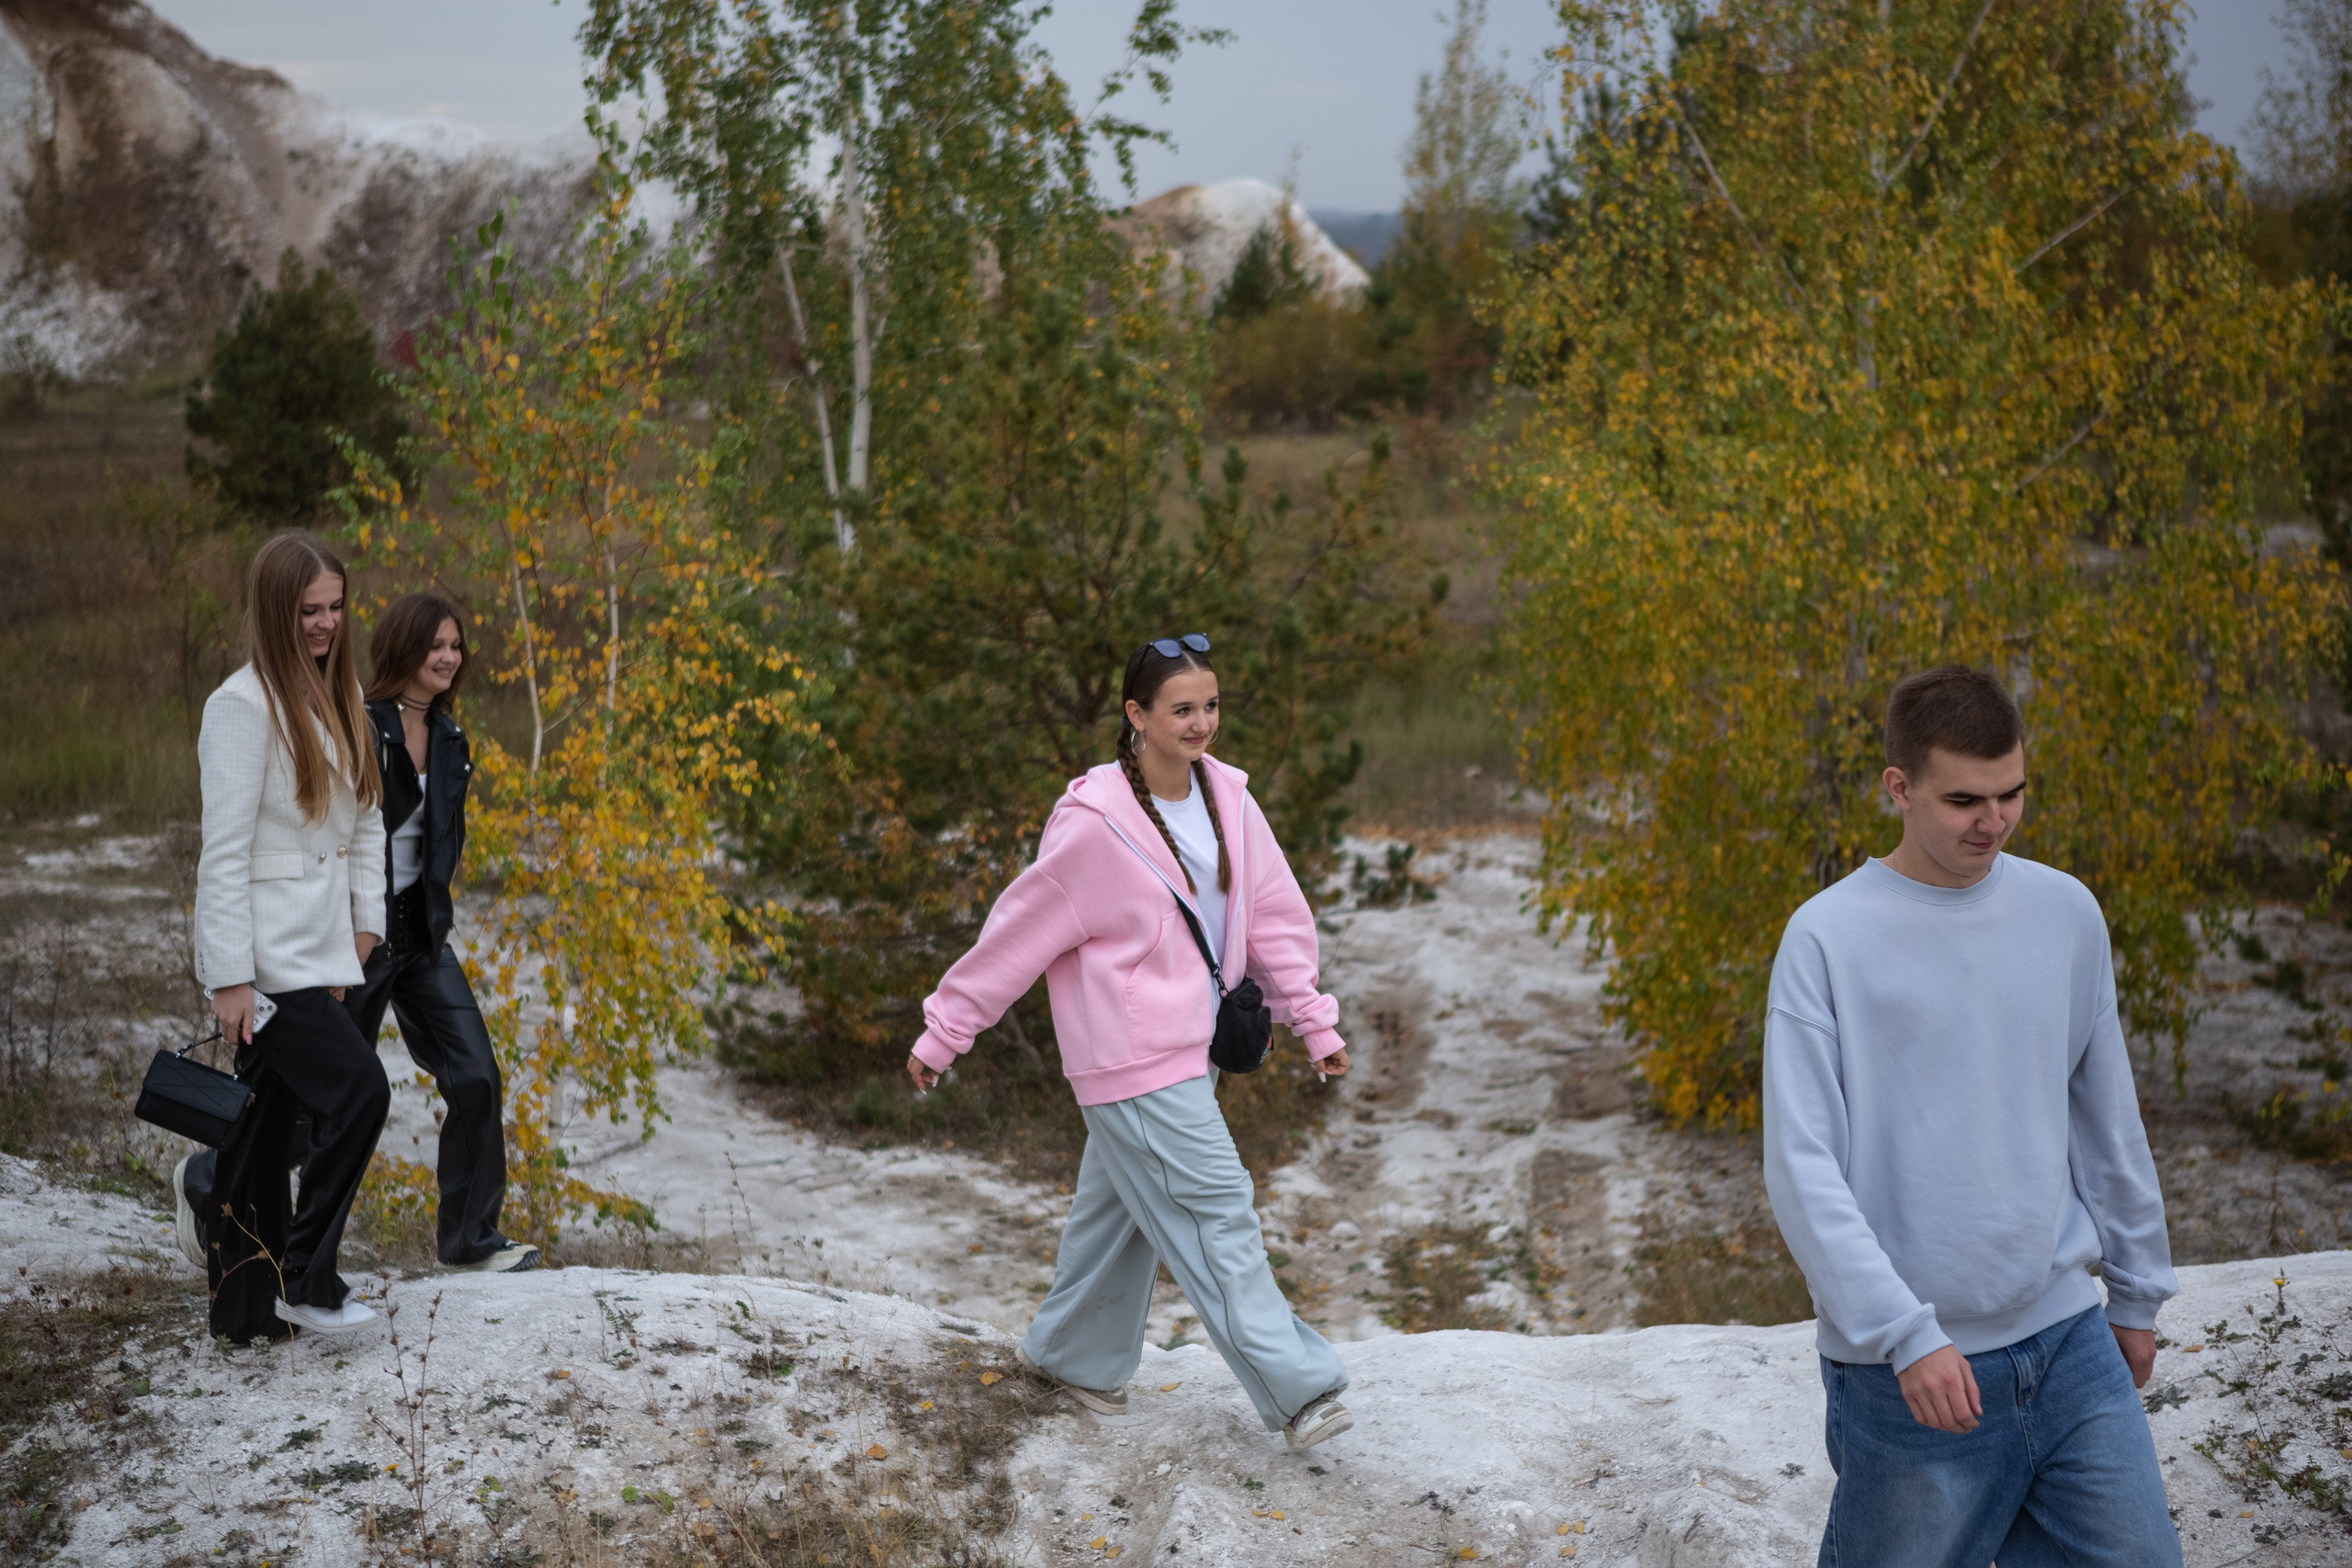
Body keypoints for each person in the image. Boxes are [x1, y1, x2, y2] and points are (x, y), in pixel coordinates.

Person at [1762, 666, 2181, 1567]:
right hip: (1911, 1377)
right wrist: (1904, 1335)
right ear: (1898, 788)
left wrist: (2138, 1288)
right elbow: (1800, 1168)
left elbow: (2104, 1115)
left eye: (2010, 794)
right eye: (1963, 800)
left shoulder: (2063, 912)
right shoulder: (1827, 939)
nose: (1991, 820)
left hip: (2070, 1344)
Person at [905, 635, 1356, 1451]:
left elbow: (1277, 920)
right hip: (1131, 1057)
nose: (1201, 722)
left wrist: (1312, 1017)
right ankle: (1300, 1393)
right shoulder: (1096, 825)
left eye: (1210, 705)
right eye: (1182, 708)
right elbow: (1021, 931)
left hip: (1198, 1048)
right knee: (1217, 1210)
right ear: (1136, 715)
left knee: (1115, 1218)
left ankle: (1071, 1357)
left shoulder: (1230, 800)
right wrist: (948, 1030)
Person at [181, 531, 391, 1341]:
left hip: (319, 951)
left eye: (336, 607)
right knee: (360, 1093)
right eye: (309, 609)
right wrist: (229, 975)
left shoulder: (342, 698)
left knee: (262, 1130)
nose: (326, 623)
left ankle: (245, 1312)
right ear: (277, 609)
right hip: (266, 963)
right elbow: (224, 853)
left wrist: (362, 932)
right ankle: (307, 1275)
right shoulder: (239, 706)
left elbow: (366, 823)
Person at [343, 592, 537, 1273]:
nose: (449, 657)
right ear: (404, 647)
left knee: (477, 1074)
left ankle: (470, 1239)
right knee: (328, 1095)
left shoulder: (452, 739)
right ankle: (217, 1182)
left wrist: (435, 921)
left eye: (456, 645)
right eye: (436, 645)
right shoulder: (358, 725)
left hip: (422, 935)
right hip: (354, 932)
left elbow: (438, 845)